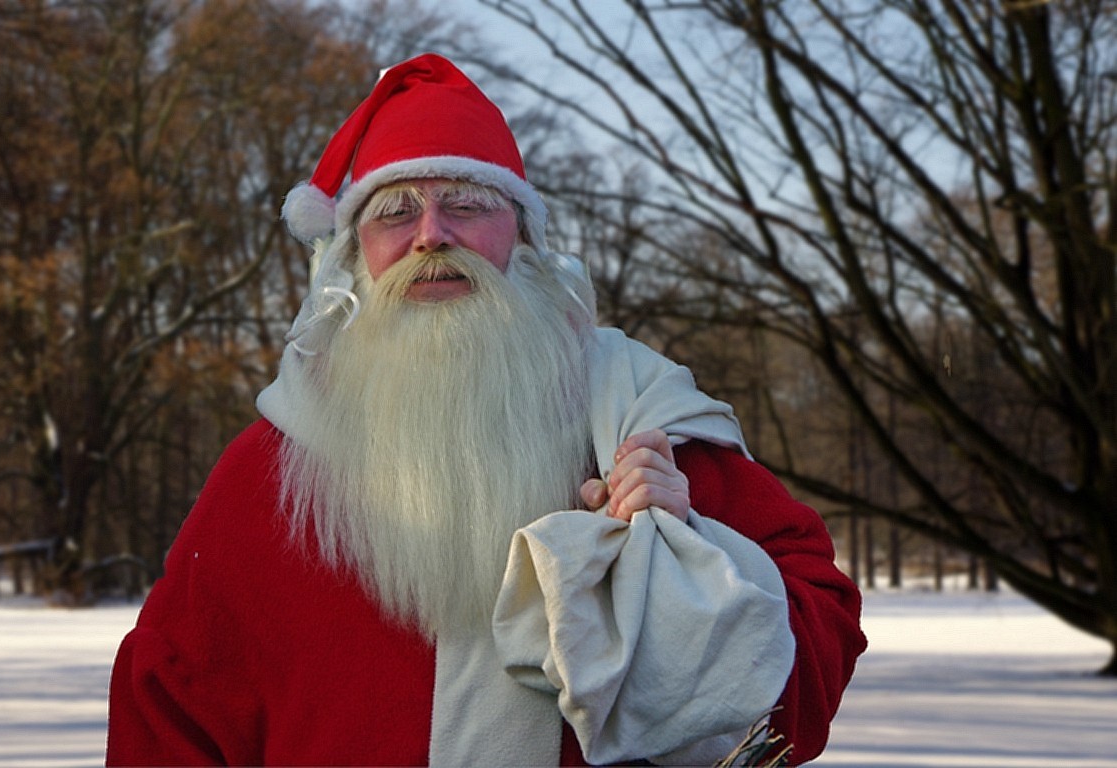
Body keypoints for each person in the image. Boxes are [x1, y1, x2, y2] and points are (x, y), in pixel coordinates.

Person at [106, 53, 865, 766]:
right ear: (353, 254)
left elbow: (808, 663)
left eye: (466, 204)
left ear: (523, 239)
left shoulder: (639, 419)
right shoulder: (275, 465)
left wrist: (688, 556)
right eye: (395, 211)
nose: (432, 235)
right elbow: (167, 714)